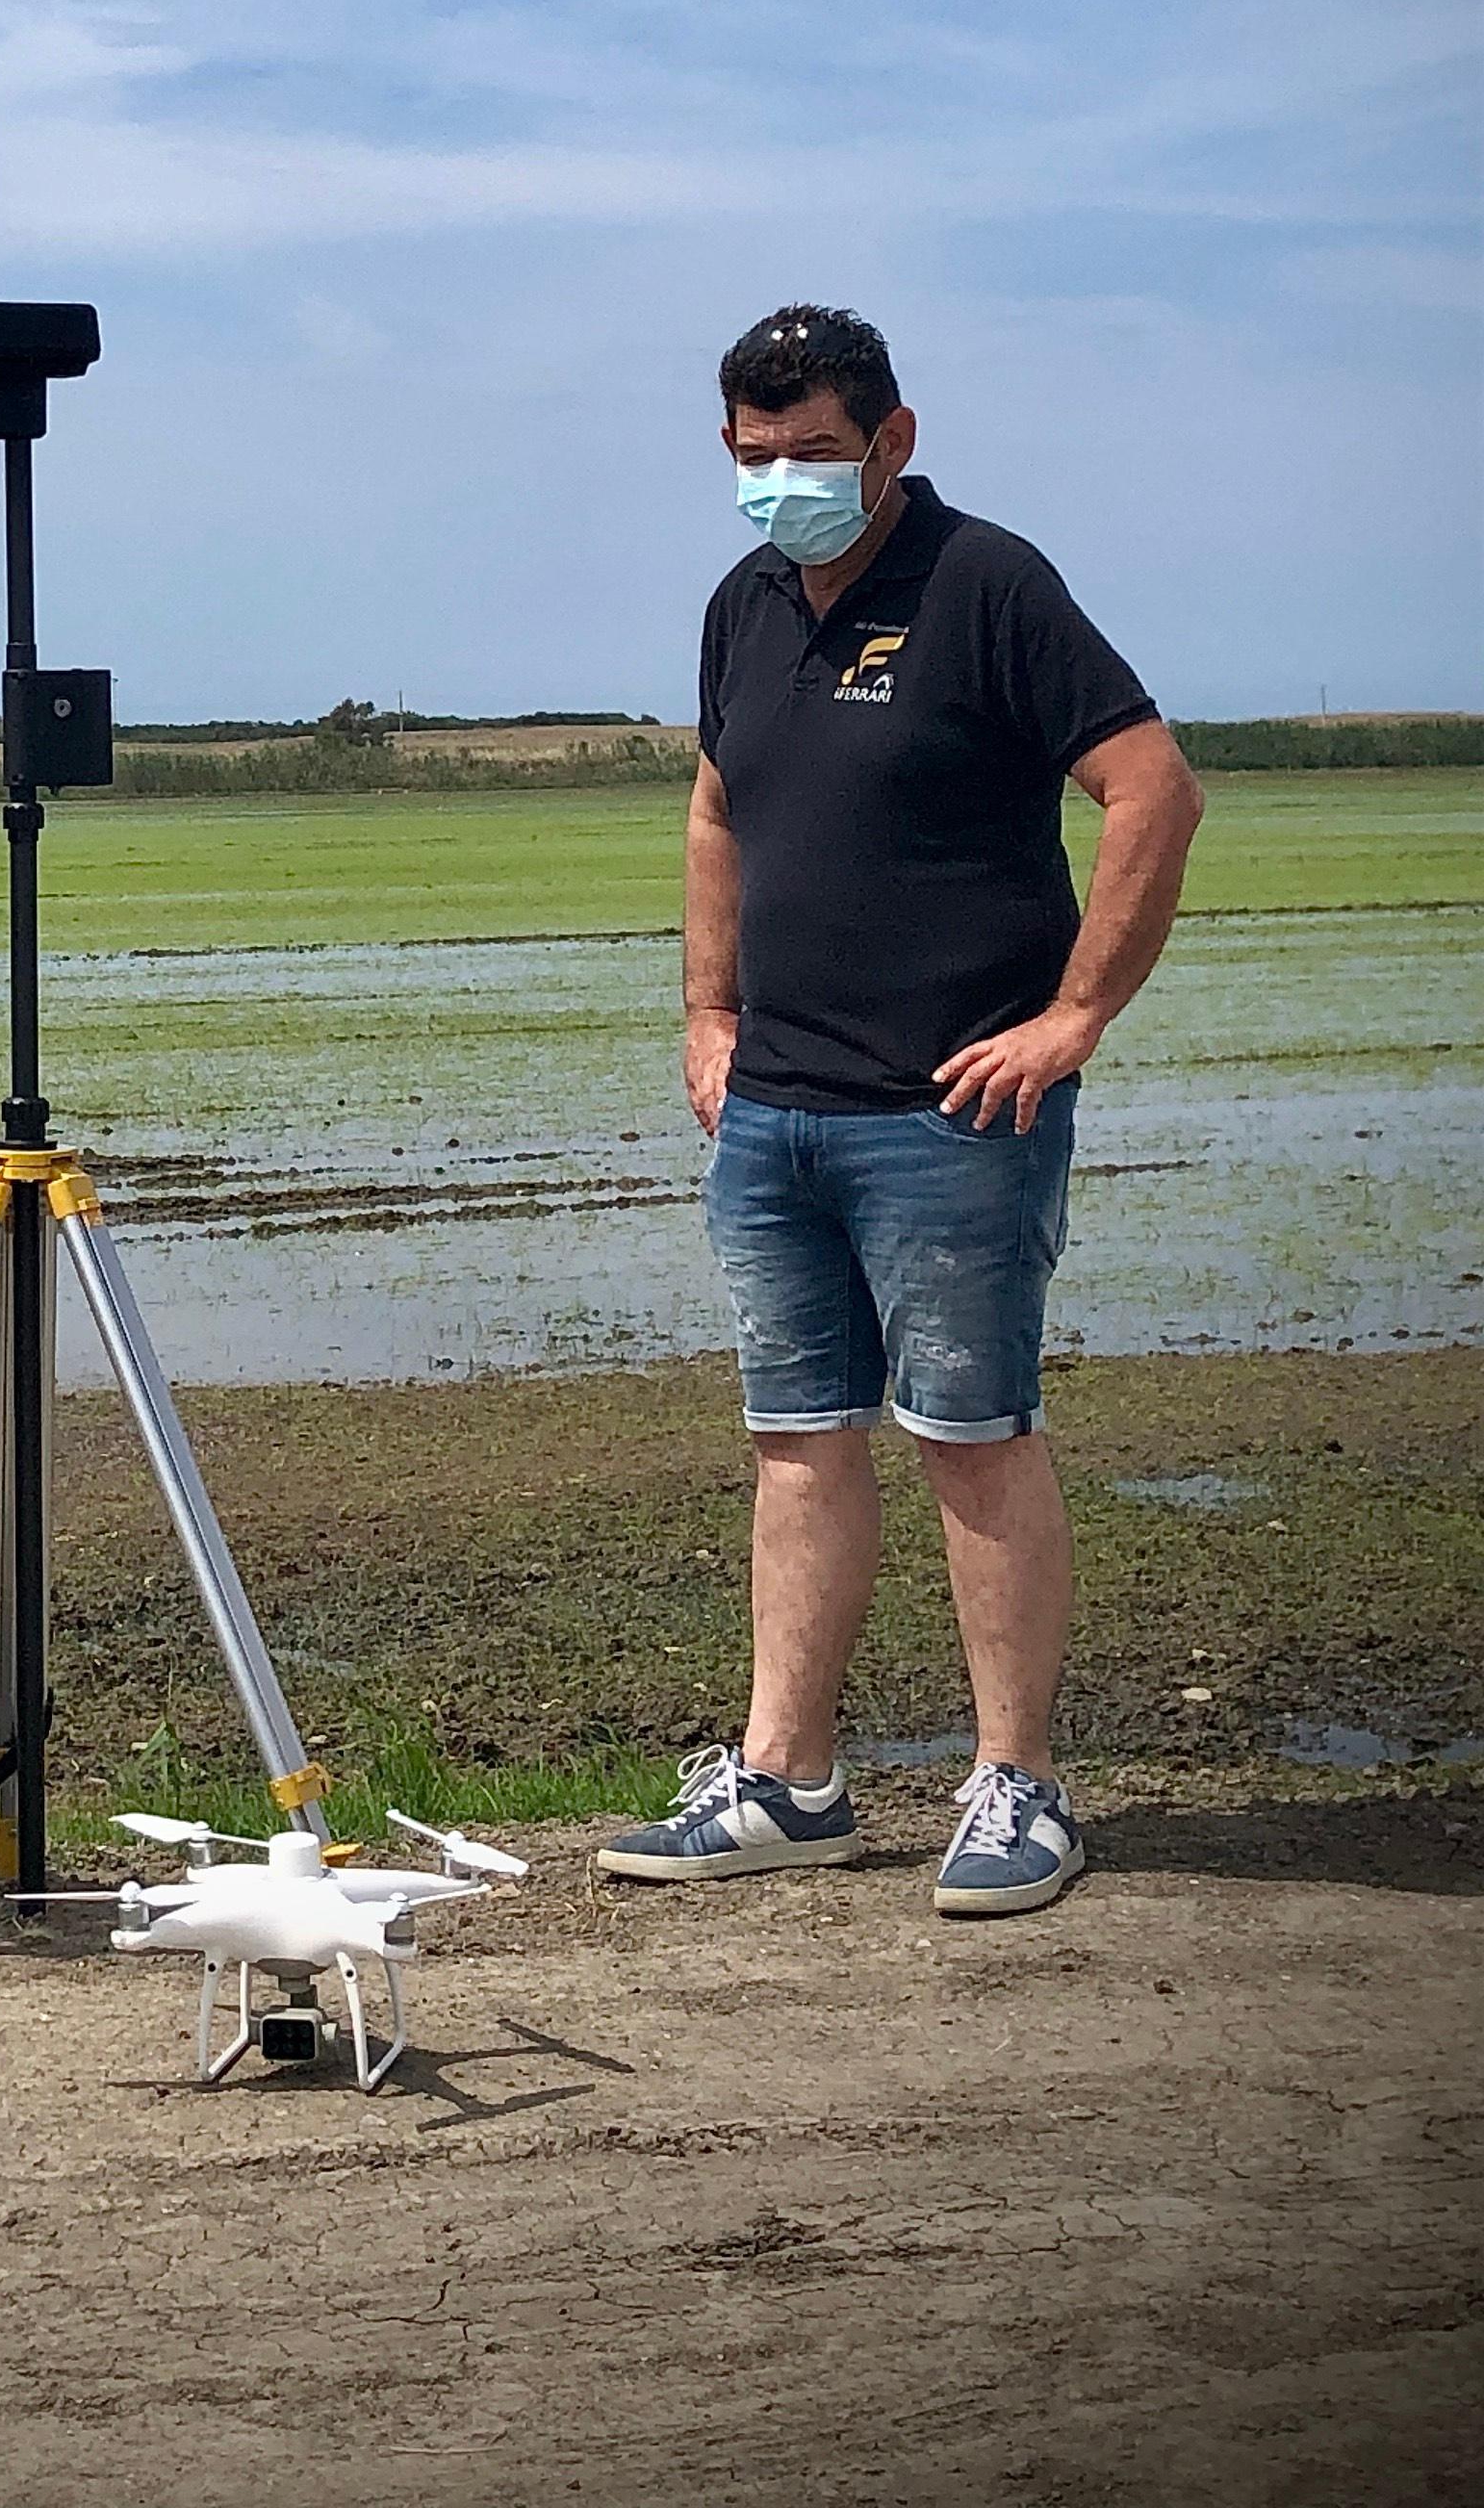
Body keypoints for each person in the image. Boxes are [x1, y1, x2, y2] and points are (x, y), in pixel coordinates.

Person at [601, 303, 1203, 1918]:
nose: (779, 481)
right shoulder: (741, 606)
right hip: (774, 1112)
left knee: (971, 1439)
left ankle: (1018, 1788)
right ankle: (787, 1779)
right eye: (751, 456)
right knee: (798, 1442)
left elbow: (1153, 784)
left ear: (892, 441)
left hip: (951, 1112)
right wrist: (709, 1010)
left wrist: (1073, 1019)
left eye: (810, 453)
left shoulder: (988, 585)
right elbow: (719, 805)